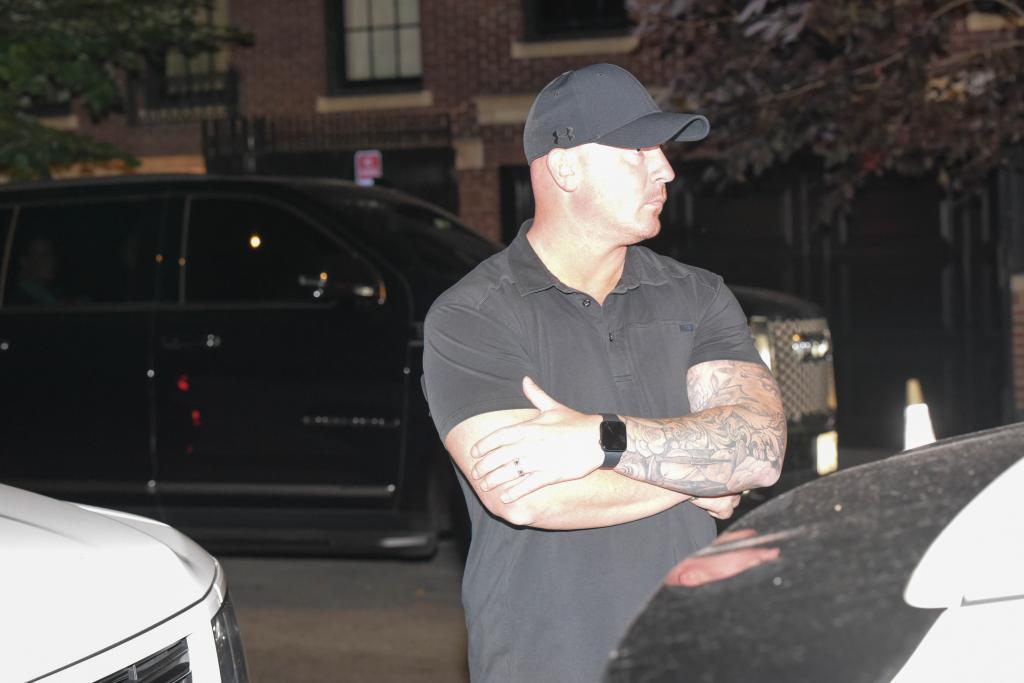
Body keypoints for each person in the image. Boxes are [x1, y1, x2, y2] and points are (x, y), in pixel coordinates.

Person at [422, 63, 787, 683]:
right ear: (565, 167)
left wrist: (602, 438)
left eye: (663, 151)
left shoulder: (697, 295)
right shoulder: (472, 316)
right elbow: (528, 494)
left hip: (694, 653)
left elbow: (761, 448)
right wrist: (700, 474)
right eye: (637, 150)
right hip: (548, 663)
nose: (665, 169)